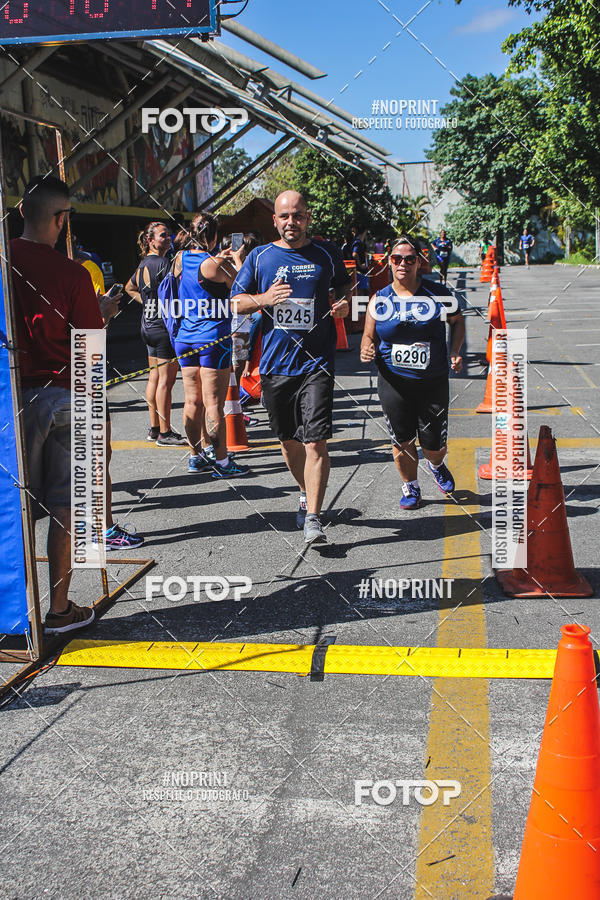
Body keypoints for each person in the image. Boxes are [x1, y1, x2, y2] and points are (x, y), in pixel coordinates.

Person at [10, 176, 108, 633]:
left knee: (13, 505)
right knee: (67, 506)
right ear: (59, 218)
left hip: (9, 397)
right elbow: (90, 347)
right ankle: (59, 608)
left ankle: (14, 608)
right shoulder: (72, 273)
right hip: (64, 395)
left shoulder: (4, 259)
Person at [230, 190, 351, 545]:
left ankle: (313, 517)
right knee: (288, 441)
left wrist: (344, 301)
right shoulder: (260, 257)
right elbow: (236, 302)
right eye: (284, 217)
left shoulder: (326, 253)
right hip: (275, 364)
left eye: (297, 216)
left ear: (307, 217)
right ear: (275, 221)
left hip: (317, 363)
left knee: (316, 442)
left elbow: (343, 284)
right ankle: (304, 491)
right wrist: (264, 299)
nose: (291, 223)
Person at [359, 234, 465, 510]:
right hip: (393, 380)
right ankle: (411, 487)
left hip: (433, 380)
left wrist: (455, 351)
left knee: (433, 445)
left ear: (419, 262)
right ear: (389, 263)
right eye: (397, 259)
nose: (403, 263)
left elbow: (457, 322)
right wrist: (366, 349)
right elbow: (368, 335)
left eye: (409, 259)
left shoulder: (438, 293)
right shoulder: (379, 299)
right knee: (402, 438)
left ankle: (436, 463)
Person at [171, 212, 248, 478]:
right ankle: (224, 463)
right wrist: (236, 259)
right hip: (213, 337)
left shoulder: (179, 259)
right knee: (214, 402)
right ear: (214, 235)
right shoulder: (215, 264)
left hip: (184, 337)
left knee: (192, 400)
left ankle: (196, 457)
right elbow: (243, 287)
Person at [125, 222, 186, 446]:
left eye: (169, 235)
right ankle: (165, 432)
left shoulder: (143, 265)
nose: (168, 238)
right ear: (150, 240)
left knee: (154, 377)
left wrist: (148, 303)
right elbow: (176, 294)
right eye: (163, 236)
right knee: (165, 382)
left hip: (147, 327)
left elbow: (129, 287)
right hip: (162, 329)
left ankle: (154, 428)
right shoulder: (163, 263)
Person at [226, 231, 261, 428]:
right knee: (233, 372)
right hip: (236, 327)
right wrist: (238, 261)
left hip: (241, 326)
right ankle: (234, 412)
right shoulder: (228, 267)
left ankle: (236, 409)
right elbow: (242, 290)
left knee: (235, 373)